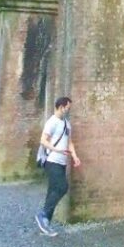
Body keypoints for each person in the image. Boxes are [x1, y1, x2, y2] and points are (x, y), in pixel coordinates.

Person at [35, 96, 80, 236]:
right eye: (68, 107)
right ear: (61, 107)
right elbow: (43, 140)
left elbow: (69, 142)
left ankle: (45, 223)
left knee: (53, 190)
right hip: (52, 160)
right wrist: (56, 150)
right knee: (62, 186)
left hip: (62, 162)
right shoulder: (52, 122)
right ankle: (42, 215)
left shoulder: (67, 123)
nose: (68, 110)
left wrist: (75, 156)